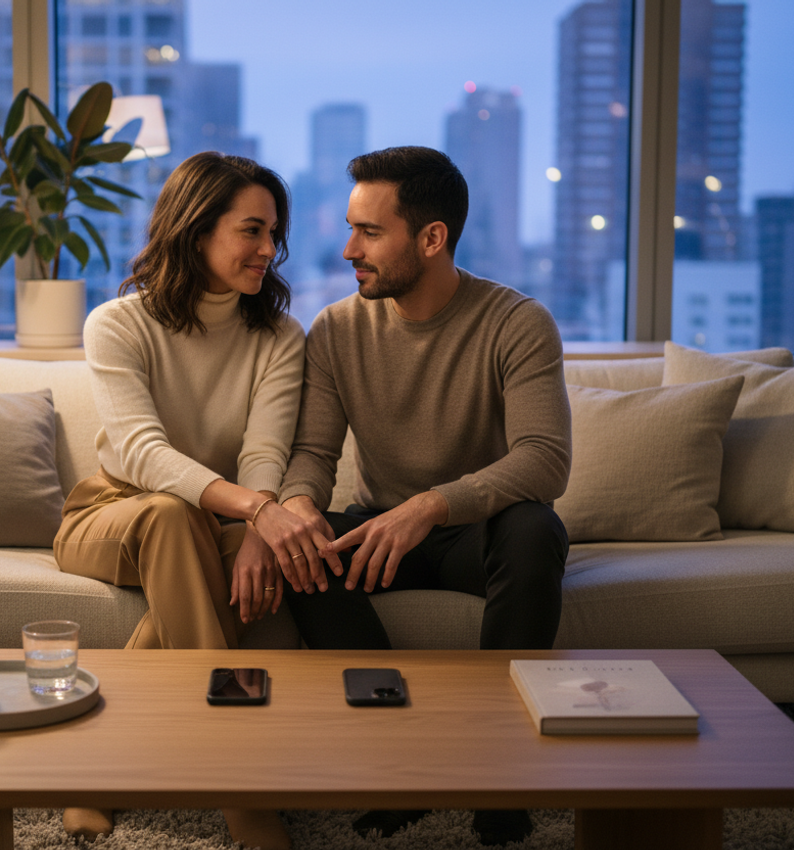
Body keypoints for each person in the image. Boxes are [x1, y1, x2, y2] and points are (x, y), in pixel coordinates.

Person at [277, 146, 573, 847]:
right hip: (380, 533)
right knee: (303, 552)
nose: (349, 250)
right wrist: (296, 505)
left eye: (369, 232)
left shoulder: (516, 321)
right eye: (351, 230)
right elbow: (313, 454)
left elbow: (545, 460)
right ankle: (398, 763)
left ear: (432, 238)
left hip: (479, 532)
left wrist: (431, 505)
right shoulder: (336, 329)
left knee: (536, 530)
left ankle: (501, 774)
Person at [53, 151, 328, 850]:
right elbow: (144, 452)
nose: (268, 249)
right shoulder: (117, 323)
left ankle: (94, 766)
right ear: (196, 229)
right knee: (172, 514)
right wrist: (258, 513)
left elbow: (264, 452)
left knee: (247, 556)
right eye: (252, 230)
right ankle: (237, 783)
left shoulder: (279, 336)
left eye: (274, 233)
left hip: (219, 518)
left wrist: (261, 527)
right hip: (111, 514)